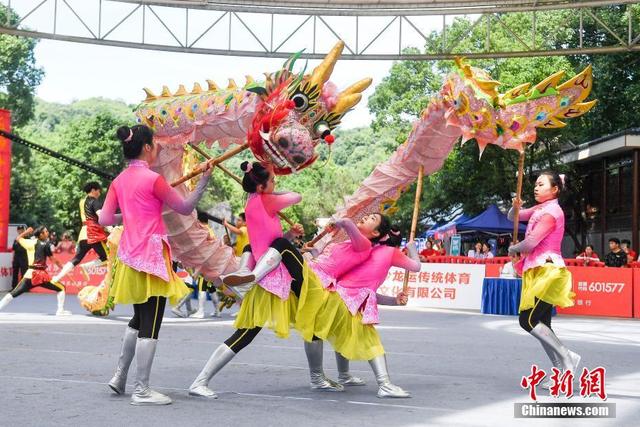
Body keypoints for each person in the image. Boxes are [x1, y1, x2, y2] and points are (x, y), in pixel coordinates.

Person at [99, 124, 211, 406]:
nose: (157, 149)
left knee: (138, 319)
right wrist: (203, 180)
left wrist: (129, 217)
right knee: (152, 321)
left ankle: (120, 376)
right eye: (155, 145)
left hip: (129, 256)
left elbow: (103, 219)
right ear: (147, 147)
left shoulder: (119, 180)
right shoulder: (153, 179)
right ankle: (142, 389)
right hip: (152, 257)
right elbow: (185, 208)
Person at [310, 225, 420, 398]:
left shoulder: (369, 251)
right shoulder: (391, 252)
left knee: (339, 336)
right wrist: (413, 249)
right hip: (347, 300)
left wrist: (394, 301)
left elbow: (366, 289)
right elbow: (416, 266)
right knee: (371, 341)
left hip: (336, 297)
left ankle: (342, 376)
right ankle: (385, 384)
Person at [508, 171, 580, 389]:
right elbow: (514, 216)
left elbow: (530, 243)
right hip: (537, 270)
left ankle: (568, 358)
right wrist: (515, 205)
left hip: (547, 270)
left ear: (555, 189)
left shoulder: (552, 212)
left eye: (541, 184)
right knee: (543, 323)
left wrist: (513, 248)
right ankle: (561, 371)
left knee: (527, 320)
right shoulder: (540, 209)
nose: (536, 188)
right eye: (536, 185)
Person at [0, 226, 71, 315]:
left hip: (30, 275)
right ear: (41, 234)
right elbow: (54, 260)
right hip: (41, 276)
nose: (48, 233)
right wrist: (63, 268)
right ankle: (60, 310)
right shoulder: (46, 244)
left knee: (13, 293)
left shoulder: (30, 243)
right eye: (46, 231)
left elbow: (18, 238)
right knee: (61, 288)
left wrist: (26, 232)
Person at [52, 182, 110, 284]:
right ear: (93, 190)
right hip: (93, 233)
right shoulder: (95, 201)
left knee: (76, 258)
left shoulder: (82, 202)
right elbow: (101, 216)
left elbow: (88, 216)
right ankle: (86, 267)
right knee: (108, 257)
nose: (99, 193)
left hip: (83, 233)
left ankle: (57, 278)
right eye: (98, 190)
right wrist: (111, 228)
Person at [11, 225, 28, 289]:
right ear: (17, 231)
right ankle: (14, 287)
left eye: (22, 230)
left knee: (24, 273)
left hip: (24, 258)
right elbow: (14, 250)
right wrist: (13, 258)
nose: (20, 231)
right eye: (19, 230)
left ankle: (23, 287)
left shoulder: (27, 239)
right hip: (16, 258)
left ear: (24, 230)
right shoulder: (16, 239)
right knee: (15, 272)